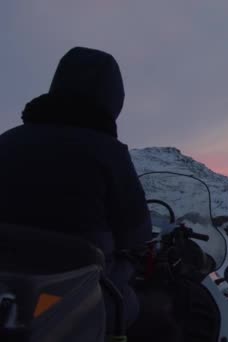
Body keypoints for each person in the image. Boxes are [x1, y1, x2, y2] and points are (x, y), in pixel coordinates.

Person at [0, 47, 152, 329]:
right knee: (158, 316)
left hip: (7, 291)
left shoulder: (8, 141)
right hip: (79, 294)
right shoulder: (108, 153)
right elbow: (135, 232)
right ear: (113, 99)